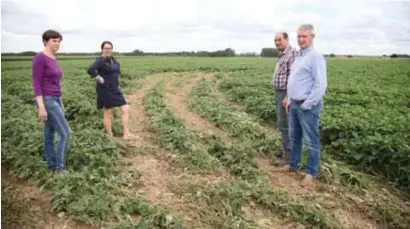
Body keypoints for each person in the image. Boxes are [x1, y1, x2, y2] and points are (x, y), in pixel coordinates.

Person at [277, 24, 327, 188]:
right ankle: (293, 165)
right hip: (294, 104)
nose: (301, 39)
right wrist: (289, 98)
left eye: (304, 36)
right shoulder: (299, 56)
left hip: (307, 106)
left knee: (311, 140)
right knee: (295, 138)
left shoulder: (315, 56)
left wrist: (307, 103)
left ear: (312, 37)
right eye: (299, 36)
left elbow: (320, 85)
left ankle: (311, 173)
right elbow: (296, 80)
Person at [31, 30, 71, 174]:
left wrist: (61, 102)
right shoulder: (40, 58)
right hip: (47, 100)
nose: (57, 43)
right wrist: (41, 107)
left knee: (49, 134)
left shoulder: (53, 58)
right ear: (45, 41)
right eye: (54, 40)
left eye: (59, 41)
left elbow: (56, 83)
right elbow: (36, 84)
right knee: (66, 134)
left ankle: (52, 167)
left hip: (56, 98)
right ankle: (60, 169)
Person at [87, 41, 137, 140]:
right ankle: (110, 137)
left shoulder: (113, 60)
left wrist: (117, 84)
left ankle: (126, 134)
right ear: (102, 49)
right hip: (105, 89)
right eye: (106, 48)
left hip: (115, 89)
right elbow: (90, 69)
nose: (108, 50)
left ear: (112, 49)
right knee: (108, 112)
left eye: (109, 48)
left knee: (126, 109)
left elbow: (116, 73)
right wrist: (99, 78)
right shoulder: (100, 60)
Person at [271, 32, 296, 166]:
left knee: (285, 124)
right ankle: (285, 150)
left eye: (279, 40)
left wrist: (288, 96)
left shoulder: (291, 54)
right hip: (279, 92)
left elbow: (294, 77)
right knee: (282, 124)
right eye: (275, 40)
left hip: (285, 93)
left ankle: (288, 157)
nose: (277, 42)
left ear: (286, 39)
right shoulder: (282, 54)